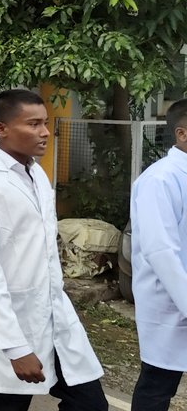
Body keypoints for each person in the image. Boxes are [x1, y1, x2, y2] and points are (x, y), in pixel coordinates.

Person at [0, 90, 105, 411]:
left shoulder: (36, 172)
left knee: (90, 404)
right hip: (10, 321)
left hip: (54, 315)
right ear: (1, 129)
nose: (45, 132)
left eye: (45, 123)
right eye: (34, 124)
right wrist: (14, 346)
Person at [130, 98, 187, 410]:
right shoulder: (160, 179)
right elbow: (160, 250)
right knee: (158, 385)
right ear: (182, 133)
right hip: (168, 303)